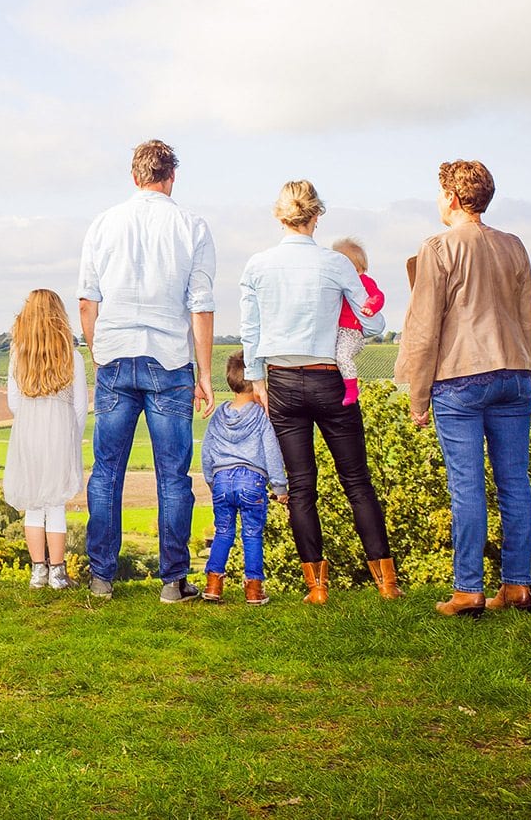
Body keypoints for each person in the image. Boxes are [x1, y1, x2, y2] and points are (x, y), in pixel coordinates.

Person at [240, 180, 398, 603]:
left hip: (283, 383)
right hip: (330, 378)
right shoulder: (336, 264)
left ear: (279, 216)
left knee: (301, 486)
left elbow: (250, 332)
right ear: (317, 215)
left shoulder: (257, 266)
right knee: (357, 482)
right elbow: (374, 324)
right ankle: (387, 584)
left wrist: (257, 381)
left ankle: (317, 588)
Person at [395, 160, 531, 618]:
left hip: (460, 377)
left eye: (440, 194)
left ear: (453, 198)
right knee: (515, 483)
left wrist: (418, 397)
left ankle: (468, 591)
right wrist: (527, 374)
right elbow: (528, 320)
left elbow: (423, 328)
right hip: (515, 373)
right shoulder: (514, 246)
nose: (439, 201)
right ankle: (517, 587)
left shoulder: (438, 247)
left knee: (467, 487)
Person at [77, 139, 216, 603]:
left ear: (134, 176)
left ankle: (101, 578)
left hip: (115, 355)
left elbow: (87, 300)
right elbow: (200, 305)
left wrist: (99, 353)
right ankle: (174, 582)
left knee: (106, 472)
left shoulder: (102, 224)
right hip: (170, 359)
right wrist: (205, 373)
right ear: (170, 177)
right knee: (173, 475)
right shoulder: (192, 225)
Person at [1, 289, 87, 591]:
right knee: (56, 503)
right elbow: (79, 406)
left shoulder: (17, 355)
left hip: (28, 432)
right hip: (60, 432)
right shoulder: (72, 356)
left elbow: (13, 402)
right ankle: (58, 572)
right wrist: (73, 439)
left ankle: (38, 571)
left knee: (34, 504)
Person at [199, 352, 288, 604]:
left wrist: (211, 480)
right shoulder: (261, 416)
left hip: (222, 481)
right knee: (251, 534)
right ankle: (253, 590)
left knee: (223, 533)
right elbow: (271, 451)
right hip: (252, 482)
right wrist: (280, 486)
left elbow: (207, 451)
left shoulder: (219, 416)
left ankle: (213, 586)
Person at [330, 237, 385, 407]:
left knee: (342, 356)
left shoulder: (364, 281)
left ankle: (352, 389)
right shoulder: (338, 283)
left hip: (352, 332)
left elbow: (378, 296)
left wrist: (370, 306)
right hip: (339, 331)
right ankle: (341, 385)